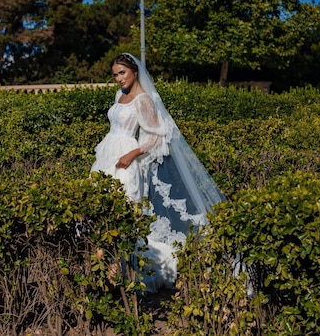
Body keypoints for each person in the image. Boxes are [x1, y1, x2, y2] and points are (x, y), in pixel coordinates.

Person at [91, 53, 225, 291]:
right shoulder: (119, 95)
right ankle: (105, 270)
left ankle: (121, 273)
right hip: (106, 155)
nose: (119, 79)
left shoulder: (143, 100)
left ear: (134, 71)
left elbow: (156, 136)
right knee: (100, 212)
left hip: (126, 158)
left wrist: (131, 155)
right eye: (115, 75)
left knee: (123, 212)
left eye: (122, 73)